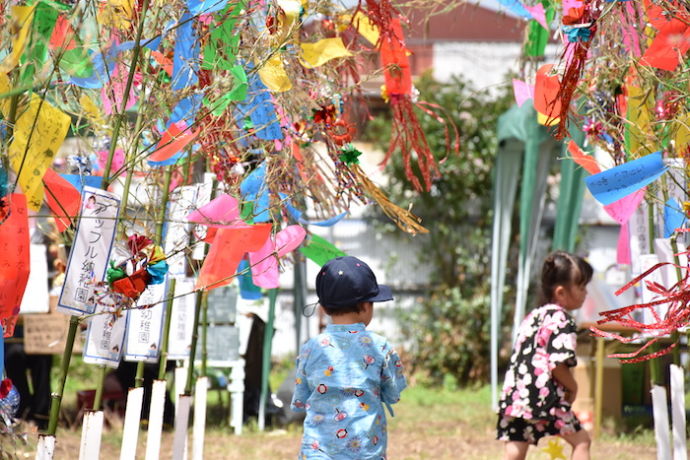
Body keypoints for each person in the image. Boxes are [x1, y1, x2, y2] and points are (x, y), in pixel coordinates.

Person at [291, 256, 406, 459]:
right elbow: (393, 394)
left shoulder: (311, 348)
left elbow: (301, 397)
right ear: (366, 306)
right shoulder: (380, 347)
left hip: (318, 452)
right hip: (365, 451)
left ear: (324, 308)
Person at [497, 251, 593, 460]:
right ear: (561, 293)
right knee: (582, 441)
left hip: (517, 396)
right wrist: (573, 386)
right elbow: (557, 363)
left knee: (515, 449)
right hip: (545, 397)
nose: (585, 293)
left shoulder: (533, 316)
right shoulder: (561, 320)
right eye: (581, 286)